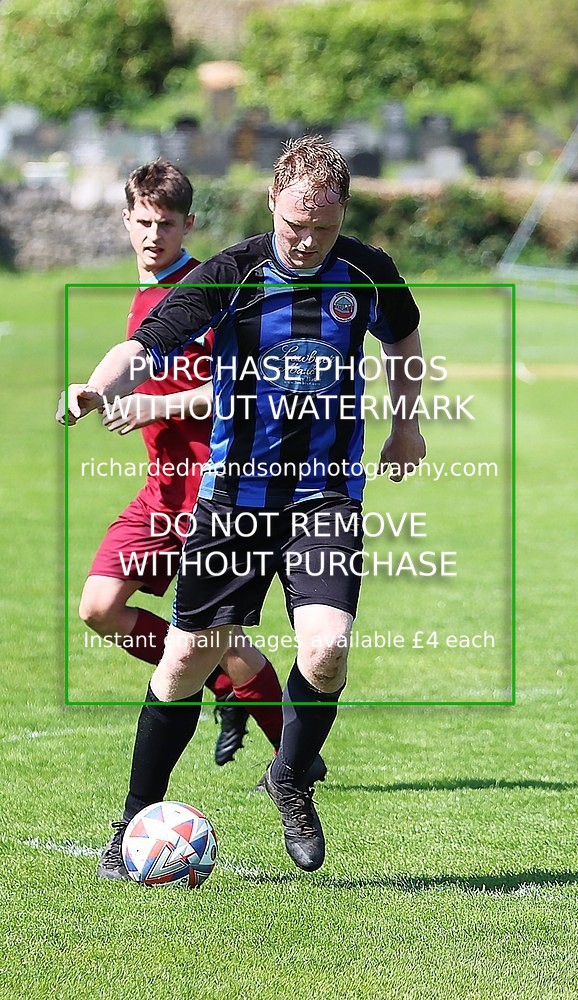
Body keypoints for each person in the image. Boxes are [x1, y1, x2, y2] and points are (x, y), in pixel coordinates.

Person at [58, 136, 425, 873]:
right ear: (273, 203)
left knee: (324, 651)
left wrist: (406, 421)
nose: (304, 241)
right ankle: (132, 820)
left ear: (340, 214)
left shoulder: (367, 271)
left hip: (325, 494)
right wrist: (99, 386)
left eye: (320, 228)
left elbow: (404, 335)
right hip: (233, 497)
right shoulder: (232, 271)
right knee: (188, 658)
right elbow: (149, 341)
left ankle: (289, 777)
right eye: (293, 225)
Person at [71, 160, 326, 880]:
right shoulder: (145, 292)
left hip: (211, 494)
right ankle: (240, 705)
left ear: (189, 224)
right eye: (142, 221)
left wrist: (157, 405)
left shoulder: (208, 290)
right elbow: (131, 366)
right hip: (160, 490)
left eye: (166, 223)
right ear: (126, 220)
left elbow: (242, 390)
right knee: (101, 608)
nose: (152, 235)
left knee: (219, 646)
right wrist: (92, 390)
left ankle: (293, 763)